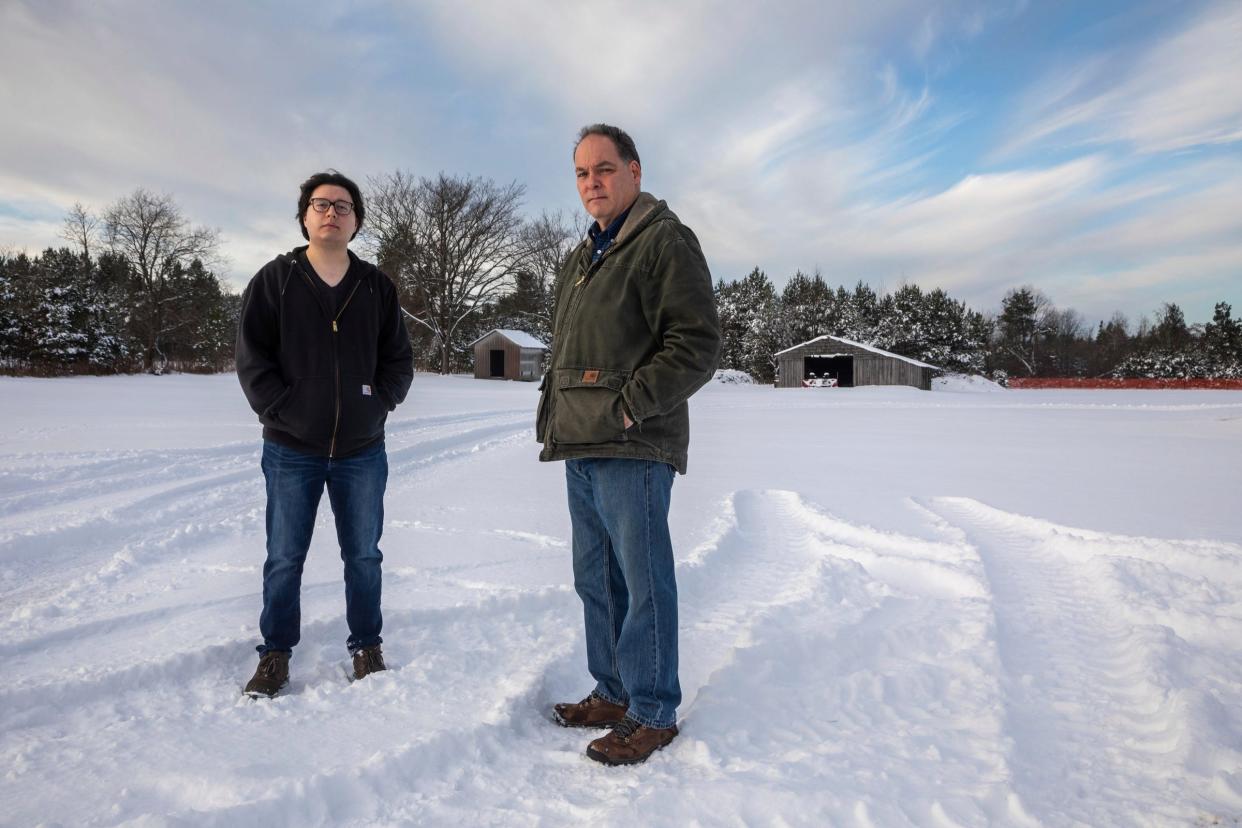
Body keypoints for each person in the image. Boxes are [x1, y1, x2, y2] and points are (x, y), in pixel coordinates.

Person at [536, 124, 721, 765]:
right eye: (583, 173)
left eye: (605, 169)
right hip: (580, 440)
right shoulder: (582, 255)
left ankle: (651, 711)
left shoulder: (662, 241)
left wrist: (630, 406)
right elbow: (567, 351)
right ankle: (612, 692)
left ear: (635, 172)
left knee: (643, 581)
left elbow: (696, 344)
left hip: (633, 443)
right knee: (597, 579)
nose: (593, 183)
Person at [236, 170, 413, 697]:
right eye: (320, 204)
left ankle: (366, 645)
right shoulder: (276, 280)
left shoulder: (376, 286)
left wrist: (377, 405)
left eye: (342, 205)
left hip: (362, 449)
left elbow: (398, 361)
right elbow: (252, 359)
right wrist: (283, 409)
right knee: (285, 555)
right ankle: (274, 654)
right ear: (305, 216)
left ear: (356, 220)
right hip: (291, 449)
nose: (331, 212)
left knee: (363, 554)